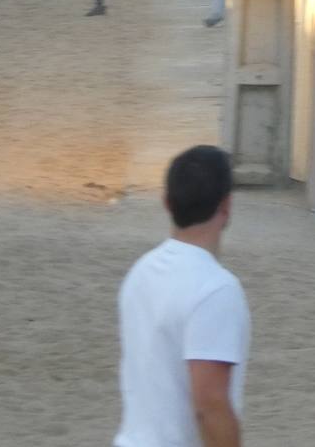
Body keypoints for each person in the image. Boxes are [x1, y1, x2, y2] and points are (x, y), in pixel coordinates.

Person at [115, 145, 249, 447]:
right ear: (226, 206)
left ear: (167, 202)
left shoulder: (140, 272)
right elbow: (209, 405)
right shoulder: (217, 289)